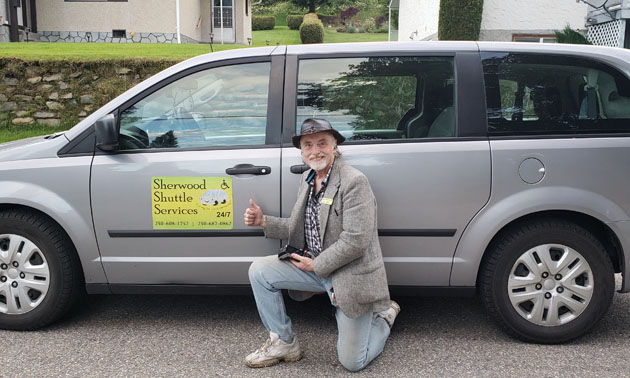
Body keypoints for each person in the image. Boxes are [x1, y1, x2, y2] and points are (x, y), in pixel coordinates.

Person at [243, 118, 400, 372]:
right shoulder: (308, 178)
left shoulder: (354, 181)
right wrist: (264, 221)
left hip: (347, 274)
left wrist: (317, 264)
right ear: (302, 152)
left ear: (334, 145)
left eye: (322, 143)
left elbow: (357, 240)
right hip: (314, 268)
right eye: (308, 145)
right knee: (259, 271)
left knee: (352, 362)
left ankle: (383, 317)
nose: (315, 150)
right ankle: (284, 342)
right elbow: (303, 226)